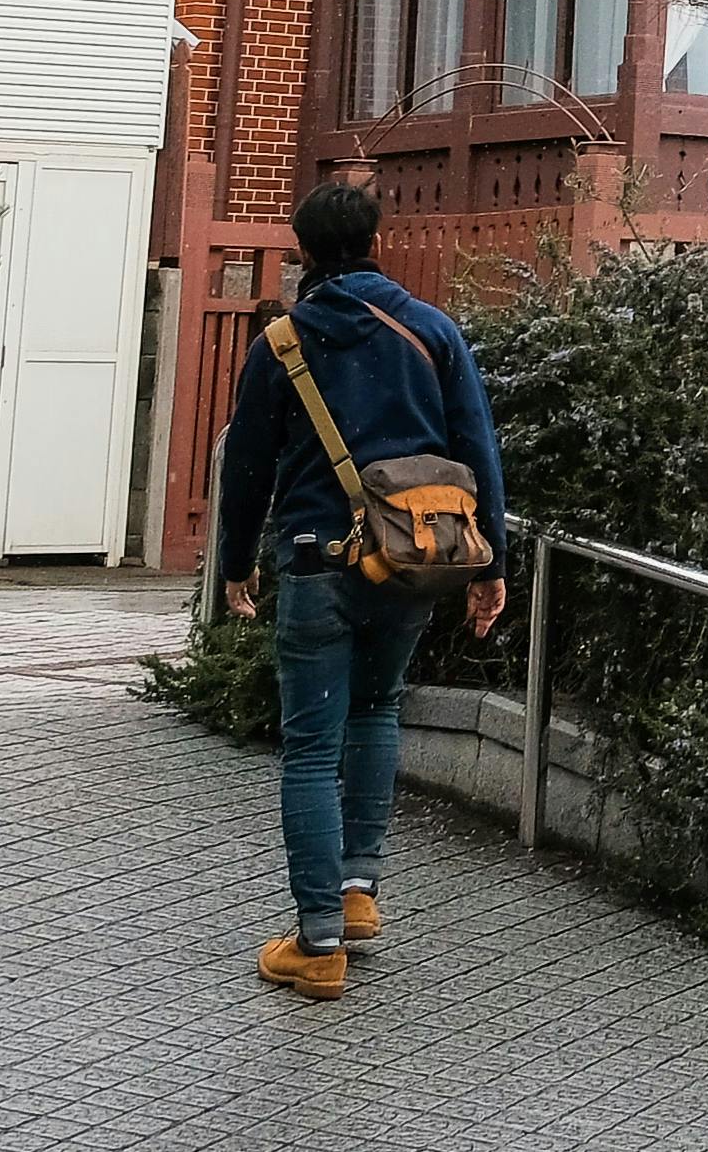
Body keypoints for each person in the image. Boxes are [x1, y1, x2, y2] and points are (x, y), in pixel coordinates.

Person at [209, 179, 510, 998]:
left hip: (315, 559)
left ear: (305, 250)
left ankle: (317, 942)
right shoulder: (433, 329)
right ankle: (359, 893)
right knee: (378, 711)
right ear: (377, 238)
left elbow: (247, 470)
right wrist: (492, 564)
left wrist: (236, 562)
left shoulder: (283, 342)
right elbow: (478, 448)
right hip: (411, 558)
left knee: (310, 747)